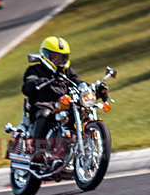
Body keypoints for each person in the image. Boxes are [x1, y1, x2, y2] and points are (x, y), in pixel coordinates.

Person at [22, 37, 100, 171]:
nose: (58, 60)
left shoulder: (67, 71)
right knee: (44, 115)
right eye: (54, 57)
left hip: (64, 103)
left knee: (82, 113)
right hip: (43, 104)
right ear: (45, 55)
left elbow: (79, 82)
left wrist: (93, 89)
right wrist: (36, 83)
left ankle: (75, 148)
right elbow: (27, 86)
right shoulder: (35, 70)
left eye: (61, 57)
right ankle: (37, 156)